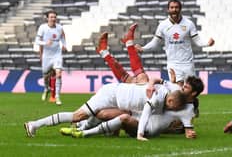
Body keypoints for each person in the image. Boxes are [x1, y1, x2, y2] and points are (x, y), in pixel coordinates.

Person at [60, 24, 204, 140]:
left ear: (193, 93)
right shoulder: (178, 94)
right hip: (138, 109)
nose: (182, 87)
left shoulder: (187, 108)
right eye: (183, 86)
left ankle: (112, 50)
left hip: (137, 115)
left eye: (185, 87)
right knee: (138, 80)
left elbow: (181, 122)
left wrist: (185, 129)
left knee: (107, 109)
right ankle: (115, 49)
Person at [24, 82, 186, 138]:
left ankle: (83, 129)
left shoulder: (168, 90)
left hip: (121, 102)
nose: (174, 110)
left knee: (102, 115)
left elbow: (169, 84)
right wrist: (140, 134)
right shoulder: (158, 97)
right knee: (77, 115)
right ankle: (34, 124)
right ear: (171, 100)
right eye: (175, 107)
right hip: (112, 94)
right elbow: (144, 115)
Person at [135, 0, 215, 86]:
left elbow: (197, 41)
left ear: (180, 9)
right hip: (173, 64)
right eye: (172, 7)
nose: (174, 10)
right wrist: (143, 48)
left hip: (187, 63)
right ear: (168, 9)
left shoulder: (189, 24)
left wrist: (207, 44)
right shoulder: (163, 25)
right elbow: (155, 42)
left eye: (176, 7)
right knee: (178, 90)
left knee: (191, 89)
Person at [35, 10, 67, 105]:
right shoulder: (42, 28)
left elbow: (62, 36)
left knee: (59, 74)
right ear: (47, 18)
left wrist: (64, 45)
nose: (53, 19)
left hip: (57, 55)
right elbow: (37, 41)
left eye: (54, 17)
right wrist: (45, 43)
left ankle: (57, 97)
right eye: (51, 17)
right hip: (46, 56)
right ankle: (46, 88)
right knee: (45, 76)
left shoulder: (59, 27)